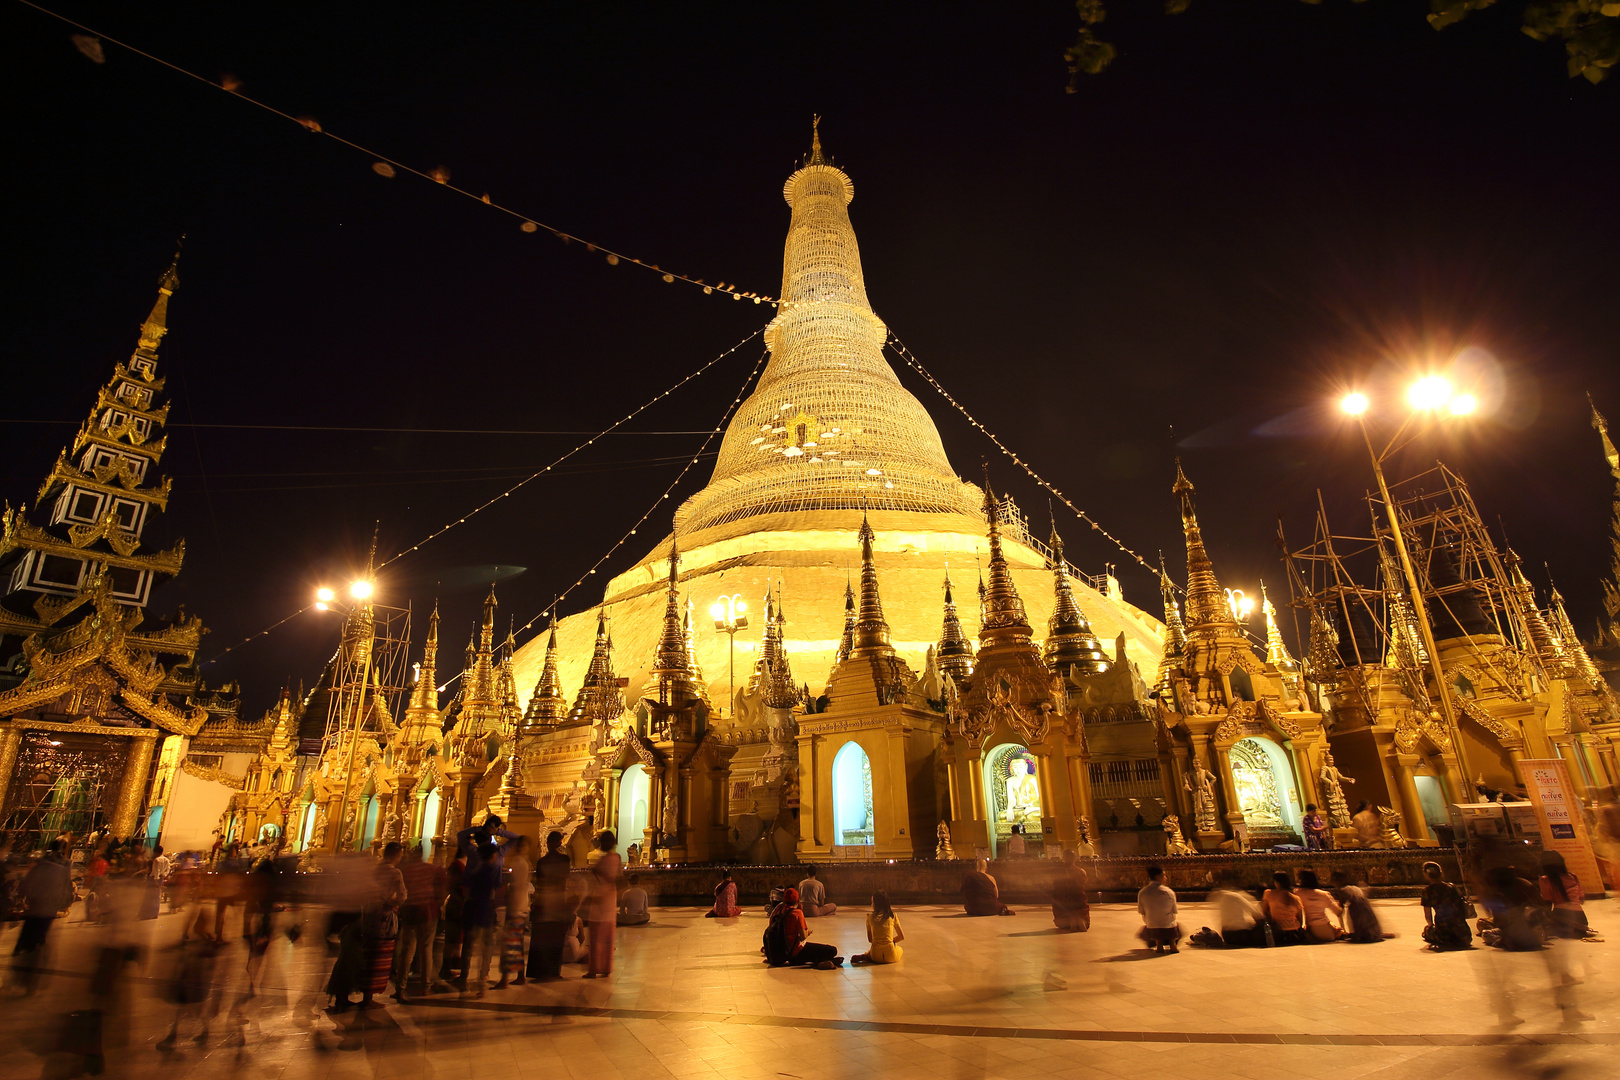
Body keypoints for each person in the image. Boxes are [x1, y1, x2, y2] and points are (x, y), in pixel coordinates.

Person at [9, 841, 73, 995]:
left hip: (35, 907)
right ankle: (31, 980)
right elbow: (66, 889)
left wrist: (22, 899)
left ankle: (19, 976)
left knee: (26, 940)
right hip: (48, 910)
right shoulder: (64, 866)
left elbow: (26, 884)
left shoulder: (41, 864)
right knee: (39, 941)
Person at [395, 845, 451, 999]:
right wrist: (439, 905)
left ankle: (400, 987)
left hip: (409, 912)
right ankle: (426, 986)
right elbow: (444, 889)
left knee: (407, 950)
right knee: (426, 949)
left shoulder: (405, 871)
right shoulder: (434, 870)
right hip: (427, 912)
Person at [527, 831, 574, 980]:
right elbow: (566, 881)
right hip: (558, 902)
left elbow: (538, 882)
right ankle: (553, 971)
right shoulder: (564, 860)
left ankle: (539, 971)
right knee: (555, 940)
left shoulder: (542, 862)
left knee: (542, 940)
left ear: (548, 844)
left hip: (544, 902)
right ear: (560, 843)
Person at [461, 841, 503, 996]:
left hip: (471, 910)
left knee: (470, 948)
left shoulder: (474, 870)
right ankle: (481, 982)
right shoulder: (490, 870)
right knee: (485, 949)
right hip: (483, 912)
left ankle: (465, 980)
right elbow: (492, 891)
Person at [495, 836, 533, 989]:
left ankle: (505, 979)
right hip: (521, 907)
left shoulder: (519, 863)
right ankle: (520, 976)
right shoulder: (524, 863)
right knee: (516, 943)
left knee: (509, 944)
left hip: (516, 907)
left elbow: (515, 885)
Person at [584, 830, 621, 978]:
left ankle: (594, 969)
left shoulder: (604, 860)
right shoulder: (617, 858)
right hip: (610, 900)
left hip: (600, 901)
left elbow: (605, 876)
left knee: (596, 938)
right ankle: (606, 967)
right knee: (607, 938)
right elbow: (618, 878)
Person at [1480, 865, 1545, 951]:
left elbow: (1502, 924)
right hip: (1538, 938)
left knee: (1485, 933)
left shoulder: (1499, 896)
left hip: (1518, 940)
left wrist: (1505, 940)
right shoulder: (1524, 883)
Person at [778, 887, 843, 968]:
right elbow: (803, 936)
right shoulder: (797, 913)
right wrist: (808, 931)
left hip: (782, 952)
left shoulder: (778, 910)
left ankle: (826, 961)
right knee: (832, 950)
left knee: (814, 950)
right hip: (795, 953)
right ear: (798, 901)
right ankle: (821, 962)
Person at [1420, 861, 1473, 951]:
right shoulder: (1451, 887)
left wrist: (1431, 926)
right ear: (1441, 873)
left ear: (1426, 875)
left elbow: (1428, 916)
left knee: (1426, 931)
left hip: (1445, 935)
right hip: (1464, 935)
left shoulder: (1428, 891)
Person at [1538, 851, 1589, 939]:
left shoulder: (1545, 880)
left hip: (1561, 918)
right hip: (1581, 920)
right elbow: (1581, 899)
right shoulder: (1573, 876)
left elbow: (1547, 901)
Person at [1329, 870, 1385, 943]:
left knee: (1355, 915)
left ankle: (1360, 935)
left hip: (1357, 908)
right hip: (1366, 907)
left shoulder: (1342, 890)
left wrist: (1342, 930)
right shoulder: (1354, 887)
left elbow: (1340, 911)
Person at [1211, 873, 1265, 947]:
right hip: (1239, 935)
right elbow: (1256, 913)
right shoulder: (1236, 896)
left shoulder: (1220, 896)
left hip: (1226, 935)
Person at [851, 891, 903, 965]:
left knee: (873, 950)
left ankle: (867, 955)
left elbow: (870, 939)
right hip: (891, 955)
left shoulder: (869, 917)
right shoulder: (893, 916)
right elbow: (901, 937)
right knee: (900, 949)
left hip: (876, 956)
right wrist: (890, 941)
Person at [1136, 865, 1180, 953]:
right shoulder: (1169, 892)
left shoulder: (1142, 892)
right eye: (1164, 875)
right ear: (1158, 876)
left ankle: (1158, 943)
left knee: (1147, 929)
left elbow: (1142, 912)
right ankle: (1172, 943)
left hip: (1152, 930)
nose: (1166, 878)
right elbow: (1174, 912)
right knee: (1177, 927)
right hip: (1169, 930)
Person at [1295, 869, 1343, 942]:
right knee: (1337, 928)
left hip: (1310, 930)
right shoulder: (1324, 894)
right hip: (1327, 932)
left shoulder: (1297, 893)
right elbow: (1338, 912)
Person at [1050, 849, 1090, 932]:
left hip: (1063, 905)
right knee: (1082, 918)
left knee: (1062, 921)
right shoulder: (1081, 871)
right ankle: (1079, 920)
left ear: (1063, 858)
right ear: (1075, 858)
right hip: (1078, 903)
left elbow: (1053, 885)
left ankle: (1072, 921)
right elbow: (1083, 886)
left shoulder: (1055, 871)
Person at [1262, 871, 1307, 944]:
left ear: (1276, 882)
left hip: (1278, 931)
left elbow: (1264, 912)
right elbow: (1300, 918)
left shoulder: (1269, 893)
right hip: (1294, 931)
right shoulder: (1296, 898)